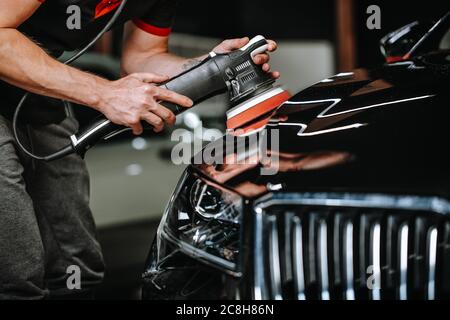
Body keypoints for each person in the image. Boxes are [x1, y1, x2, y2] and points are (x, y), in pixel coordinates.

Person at [0, 0, 279, 299]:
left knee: (76, 265)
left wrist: (211, 67)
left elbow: (142, 57)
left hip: (30, 91)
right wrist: (104, 94)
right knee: (18, 272)